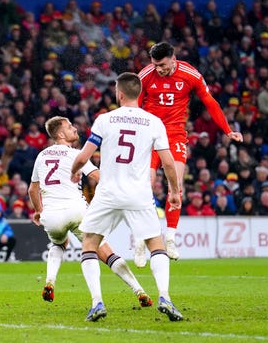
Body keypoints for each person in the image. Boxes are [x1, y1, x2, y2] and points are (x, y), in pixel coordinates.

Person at [70, 72, 183, 322]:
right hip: (139, 195)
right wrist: (175, 192)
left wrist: (74, 172)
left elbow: (82, 157)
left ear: (119, 93)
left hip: (108, 194)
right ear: (139, 93)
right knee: (156, 245)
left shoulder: (104, 120)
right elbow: (167, 162)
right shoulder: (154, 122)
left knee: (89, 244)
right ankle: (165, 296)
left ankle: (97, 302)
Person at [134, 42, 243, 266]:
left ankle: (170, 237)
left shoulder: (190, 74)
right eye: (155, 65)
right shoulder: (145, 75)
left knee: (176, 185)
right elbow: (132, 105)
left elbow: (210, 103)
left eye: (162, 65)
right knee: (145, 186)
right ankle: (140, 239)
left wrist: (228, 129)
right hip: (148, 135)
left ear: (173, 58)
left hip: (174, 135)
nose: (159, 69)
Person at [29, 116, 153, 307]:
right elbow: (97, 176)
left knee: (59, 243)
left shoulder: (42, 156)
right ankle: (139, 290)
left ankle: (50, 280)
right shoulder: (75, 155)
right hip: (76, 210)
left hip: (51, 215)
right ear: (60, 134)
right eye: (70, 127)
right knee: (105, 251)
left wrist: (38, 211)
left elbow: (32, 190)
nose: (75, 129)